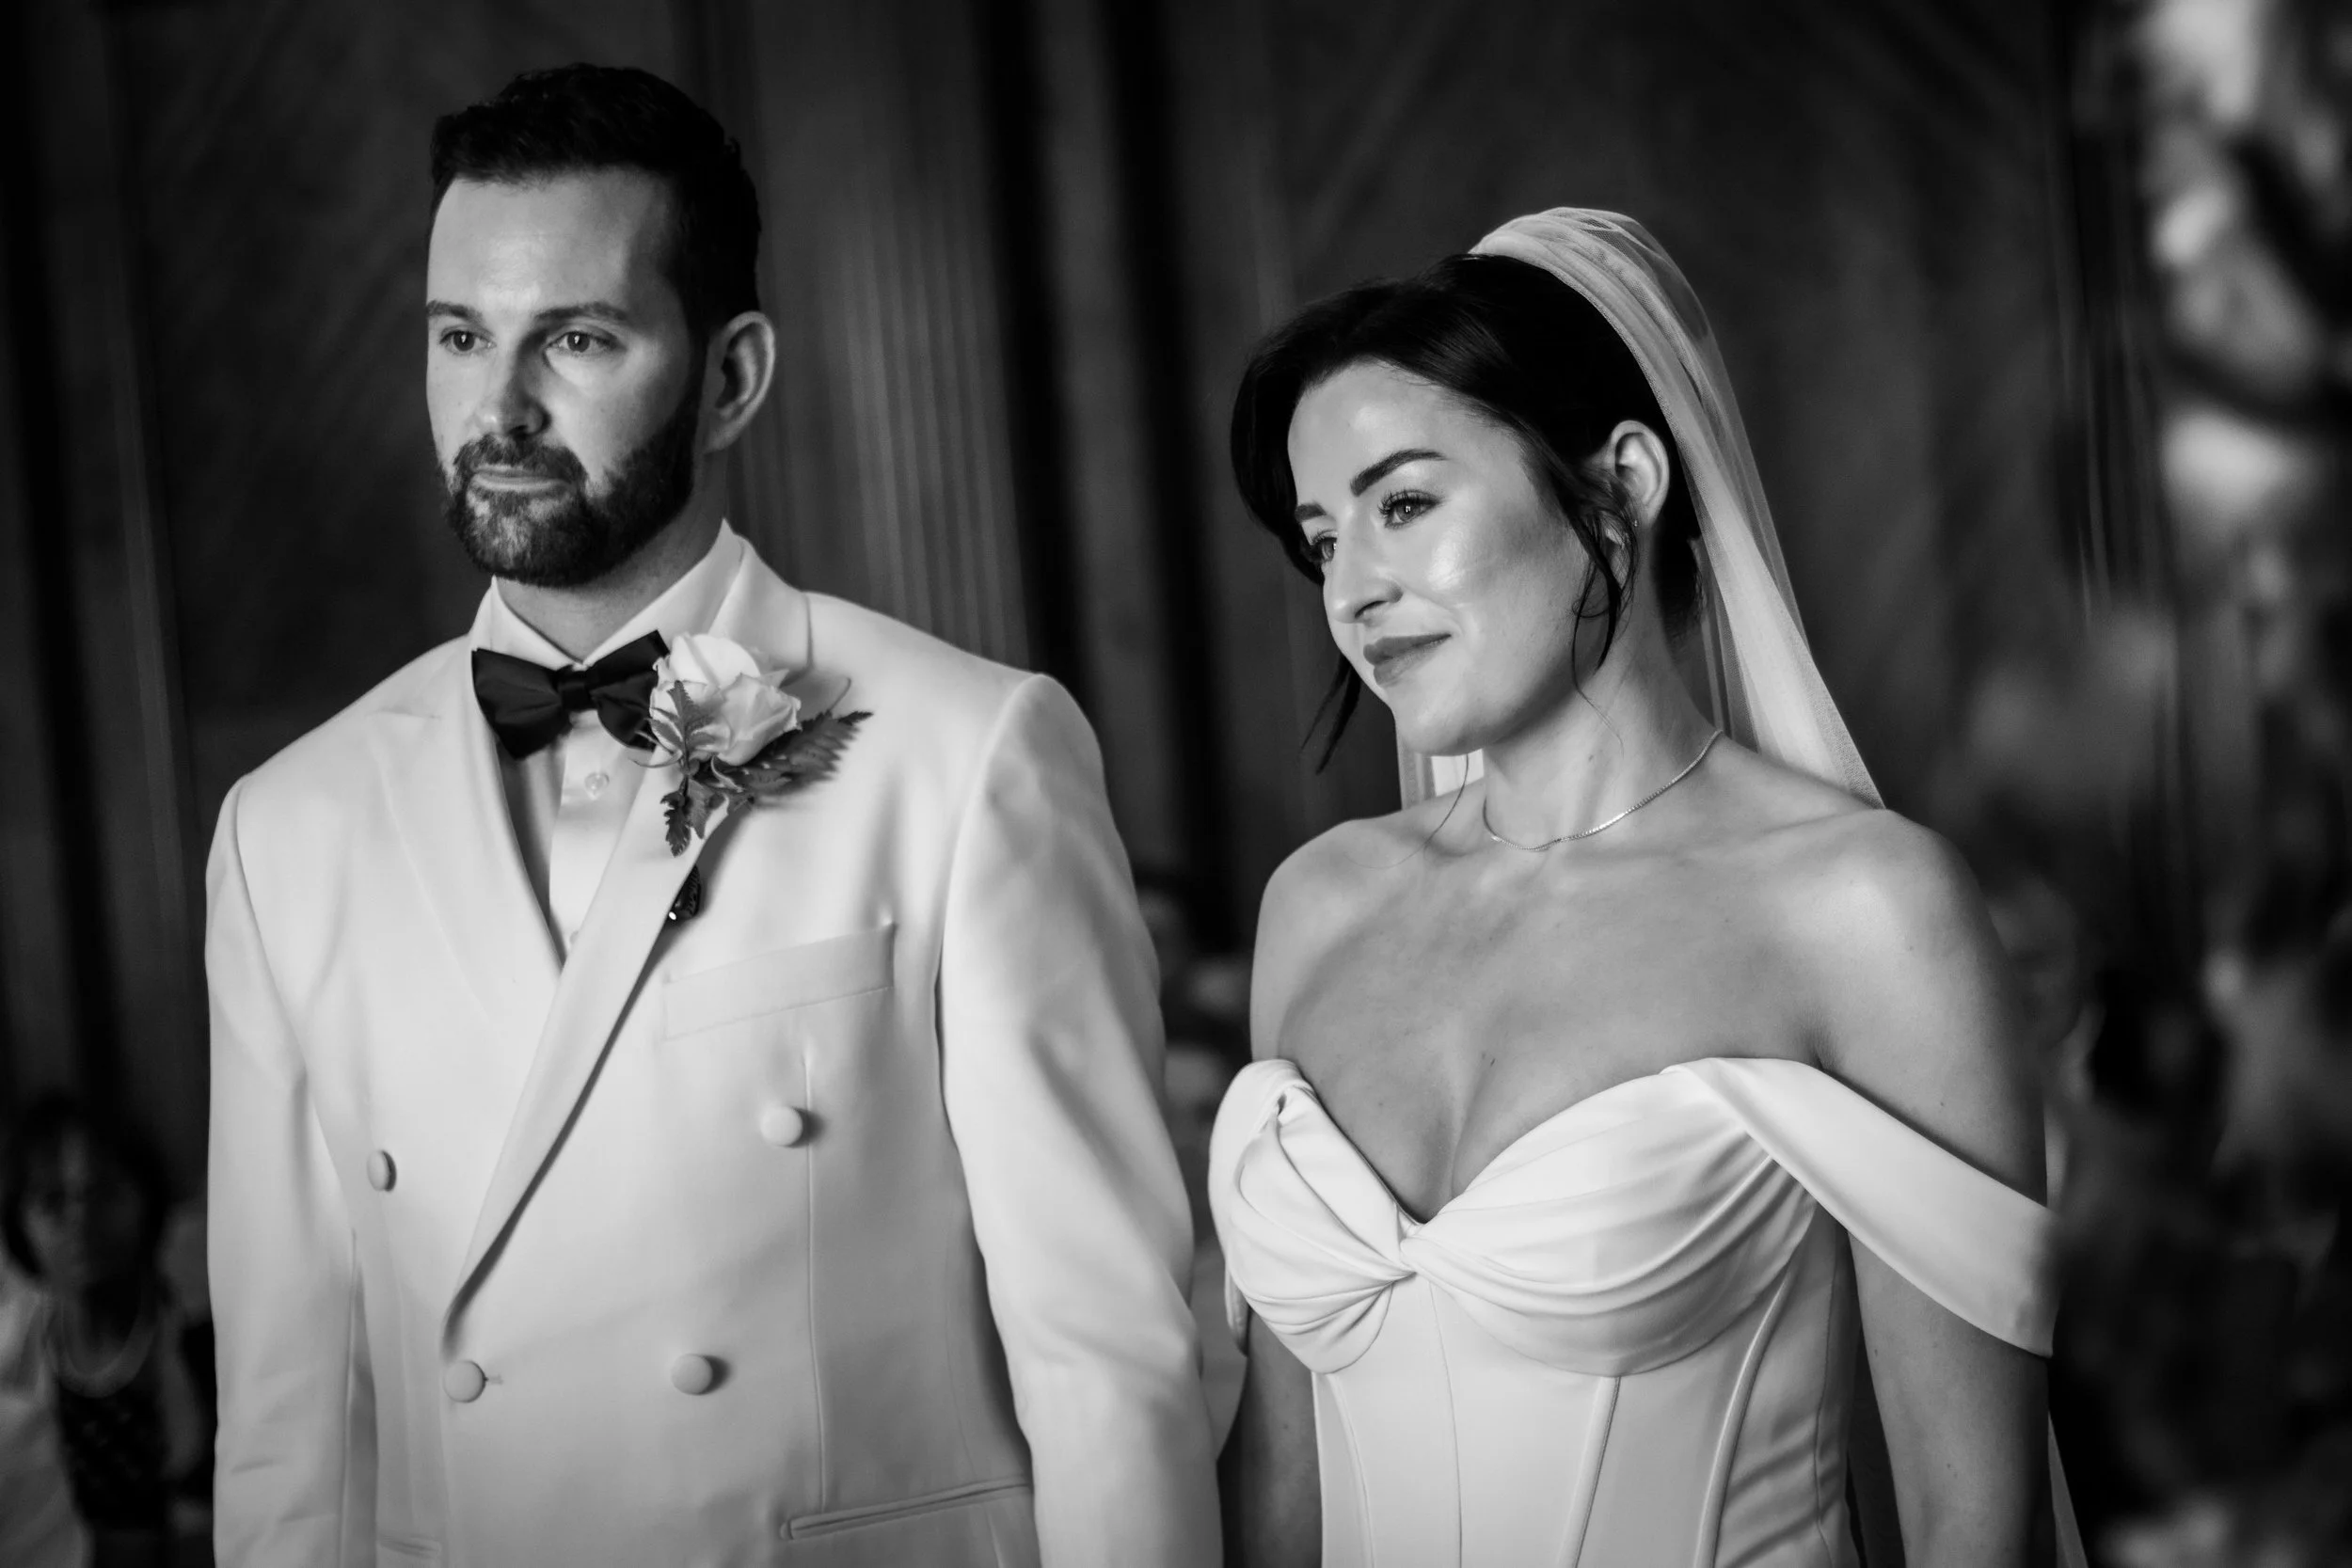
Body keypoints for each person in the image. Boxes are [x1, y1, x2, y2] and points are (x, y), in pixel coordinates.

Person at [204, 65, 1218, 1568]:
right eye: (461, 335)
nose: (500, 406)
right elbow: (289, 1434)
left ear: (732, 376)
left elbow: (1107, 1362)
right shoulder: (284, 827)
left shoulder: (967, 753)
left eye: (578, 339)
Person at [1209, 210, 2083, 1566]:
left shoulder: (1861, 909)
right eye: (1324, 539)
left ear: (1622, 479)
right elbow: (1284, 1490)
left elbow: (1976, 1519)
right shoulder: (1318, 907)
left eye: (1405, 504)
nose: (1354, 590)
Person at [0, 1099, 212, 1568]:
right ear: (18, 1222)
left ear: (146, 1198)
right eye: (52, 1202)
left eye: (103, 1193)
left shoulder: (195, 1346)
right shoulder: (13, 1354)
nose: (80, 1220)